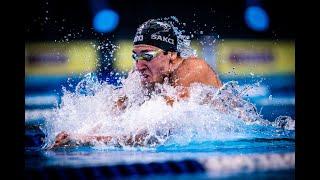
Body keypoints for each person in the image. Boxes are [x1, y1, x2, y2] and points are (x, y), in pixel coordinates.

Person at [50, 18, 223, 149]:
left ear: (170, 54)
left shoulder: (192, 69)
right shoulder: (146, 76)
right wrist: (80, 132)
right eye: (136, 56)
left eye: (147, 56)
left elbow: (152, 134)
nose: (139, 66)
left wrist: (84, 140)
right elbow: (113, 113)